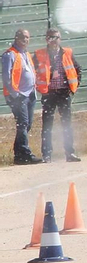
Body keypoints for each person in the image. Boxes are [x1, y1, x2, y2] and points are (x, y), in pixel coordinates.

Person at [35, 27, 81, 163]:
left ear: (60, 39)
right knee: (47, 125)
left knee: (67, 124)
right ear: (46, 39)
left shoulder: (67, 53)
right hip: (48, 94)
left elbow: (78, 69)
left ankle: (69, 153)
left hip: (63, 93)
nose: (54, 41)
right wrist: (41, 87)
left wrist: (73, 87)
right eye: (51, 37)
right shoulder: (39, 54)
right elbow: (31, 72)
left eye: (56, 38)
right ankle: (47, 155)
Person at [2, 28, 40, 165]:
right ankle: (25, 153)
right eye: (23, 37)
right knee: (23, 123)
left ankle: (19, 154)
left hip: (29, 94)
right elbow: (6, 77)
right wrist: (15, 94)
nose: (26, 40)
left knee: (27, 124)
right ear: (16, 38)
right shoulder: (9, 54)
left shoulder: (26, 54)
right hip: (18, 96)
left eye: (28, 37)